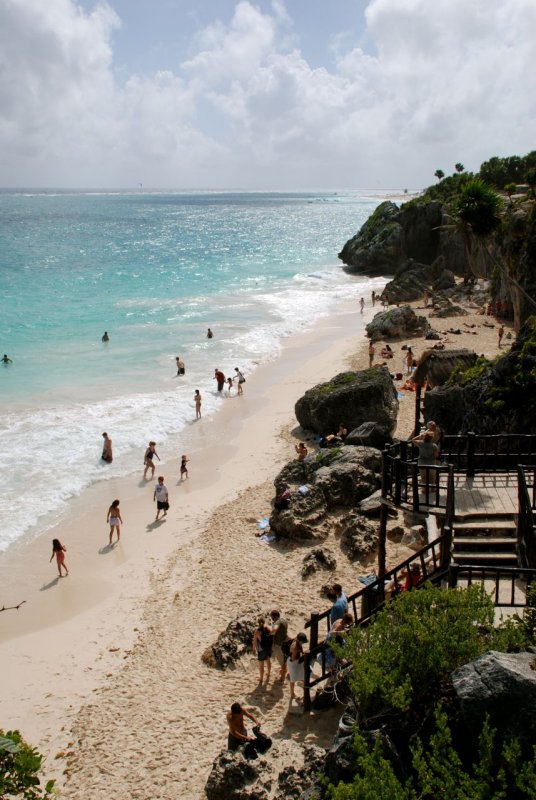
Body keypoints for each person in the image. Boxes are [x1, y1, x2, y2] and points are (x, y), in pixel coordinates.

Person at [287, 632, 308, 701]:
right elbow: (293, 659)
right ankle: (292, 694)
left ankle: (304, 690)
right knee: (293, 679)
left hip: (297, 662)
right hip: (293, 663)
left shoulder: (297, 640)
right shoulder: (295, 648)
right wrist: (301, 655)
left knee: (303, 676)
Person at [252, 617, 273, 683]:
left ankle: (261, 679)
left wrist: (254, 649)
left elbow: (255, 641)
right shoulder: (267, 629)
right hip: (268, 648)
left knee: (261, 664)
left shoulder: (257, 631)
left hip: (261, 649)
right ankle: (269, 673)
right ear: (264, 622)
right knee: (268, 660)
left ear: (258, 623)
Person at [270, 610, 289, 681]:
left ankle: (282, 677)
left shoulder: (277, 622)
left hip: (279, 644)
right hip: (285, 642)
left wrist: (269, 632)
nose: (272, 619)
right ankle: (283, 671)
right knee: (284, 659)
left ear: (275, 617)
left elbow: (273, 632)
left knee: (282, 661)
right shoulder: (284, 621)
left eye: (272, 618)